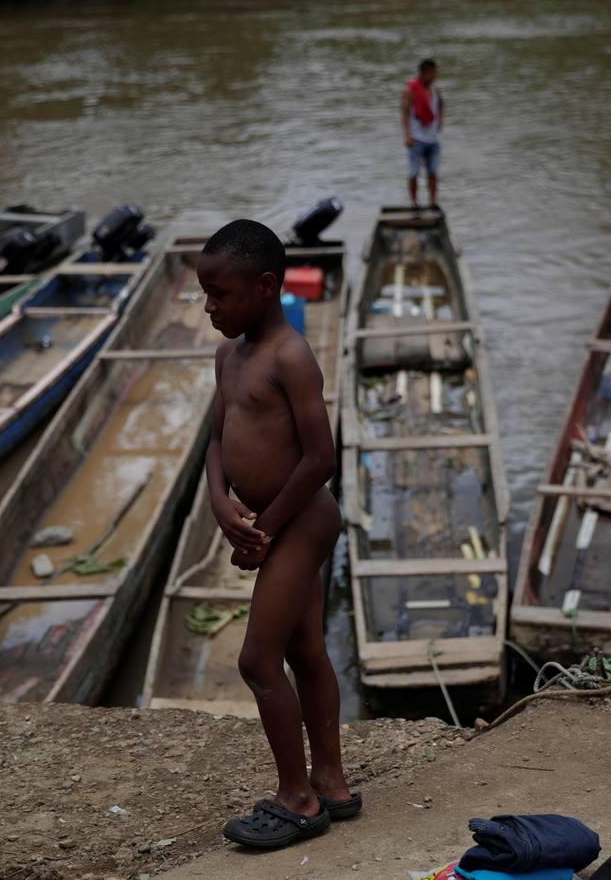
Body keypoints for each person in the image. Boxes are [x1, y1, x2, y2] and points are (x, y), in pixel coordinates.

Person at [197, 219, 358, 849]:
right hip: (272, 524)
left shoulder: (290, 357)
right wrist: (218, 501)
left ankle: (298, 798)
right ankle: (334, 782)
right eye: (204, 293)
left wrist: (262, 529)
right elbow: (214, 439)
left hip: (302, 521)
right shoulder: (226, 356)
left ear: (265, 287)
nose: (210, 306)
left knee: (258, 661)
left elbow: (321, 458)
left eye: (221, 294)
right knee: (306, 651)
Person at [401, 58, 444, 208]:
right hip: (416, 140)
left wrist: (441, 122)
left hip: (433, 140)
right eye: (431, 73)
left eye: (435, 73)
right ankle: (414, 202)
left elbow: (442, 105)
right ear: (423, 73)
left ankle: (433, 202)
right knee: (413, 173)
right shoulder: (410, 91)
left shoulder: (435, 91)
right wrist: (407, 135)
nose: (434, 76)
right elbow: (404, 113)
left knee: (433, 172)